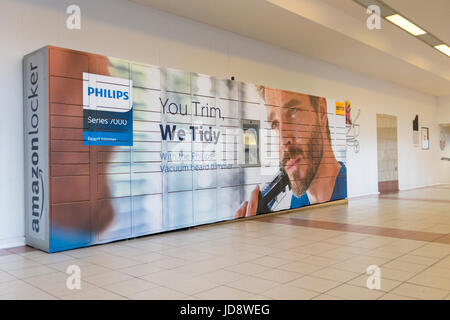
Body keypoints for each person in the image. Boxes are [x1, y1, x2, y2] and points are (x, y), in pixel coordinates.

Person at [235, 86, 347, 218]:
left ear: (321, 111)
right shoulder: (298, 201)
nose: (283, 141)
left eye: (292, 112)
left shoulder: (347, 193)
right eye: (275, 124)